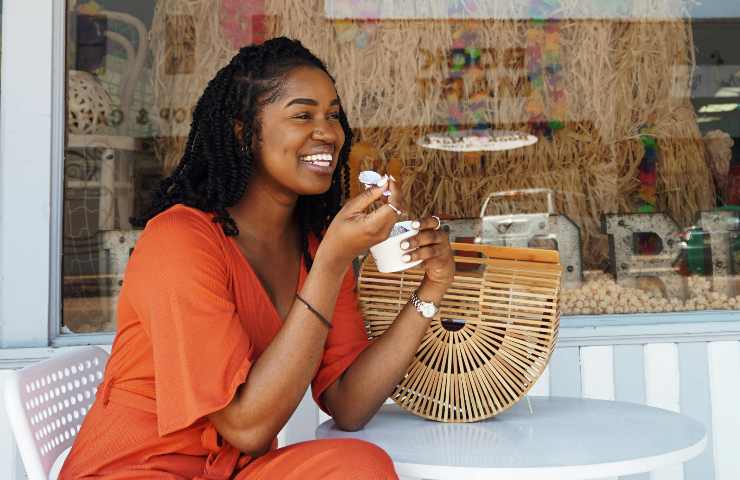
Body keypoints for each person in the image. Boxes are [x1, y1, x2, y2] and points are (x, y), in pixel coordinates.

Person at [59, 37, 455, 480]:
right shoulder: (180, 241)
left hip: (235, 472)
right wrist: (330, 263)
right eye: (303, 115)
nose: (328, 131)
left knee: (360, 466)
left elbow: (349, 404)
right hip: (137, 470)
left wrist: (431, 289)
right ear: (244, 131)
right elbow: (246, 426)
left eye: (333, 115)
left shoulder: (314, 245)